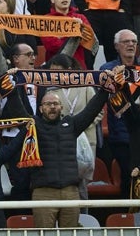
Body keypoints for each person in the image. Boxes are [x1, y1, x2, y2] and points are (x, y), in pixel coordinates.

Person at [32, 77, 113, 228]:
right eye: (48, 104)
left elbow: (92, 110)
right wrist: (10, 89)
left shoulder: (71, 125)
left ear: (61, 107)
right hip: (44, 192)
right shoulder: (34, 126)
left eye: (55, 104)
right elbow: (16, 108)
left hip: (70, 191)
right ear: (41, 108)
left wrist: (105, 88)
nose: (52, 107)